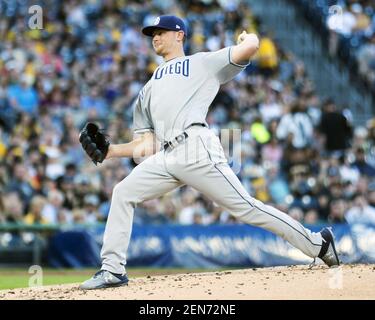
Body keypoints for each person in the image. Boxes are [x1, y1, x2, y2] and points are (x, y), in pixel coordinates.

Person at [80, 15, 339, 290]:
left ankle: (317, 243)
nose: (155, 37)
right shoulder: (147, 89)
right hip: (166, 155)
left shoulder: (200, 62)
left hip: (196, 147)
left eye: (161, 31)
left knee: (246, 208)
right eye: (152, 33)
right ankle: (112, 270)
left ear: (179, 35)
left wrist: (246, 38)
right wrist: (111, 151)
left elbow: (250, 47)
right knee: (123, 192)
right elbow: (147, 144)